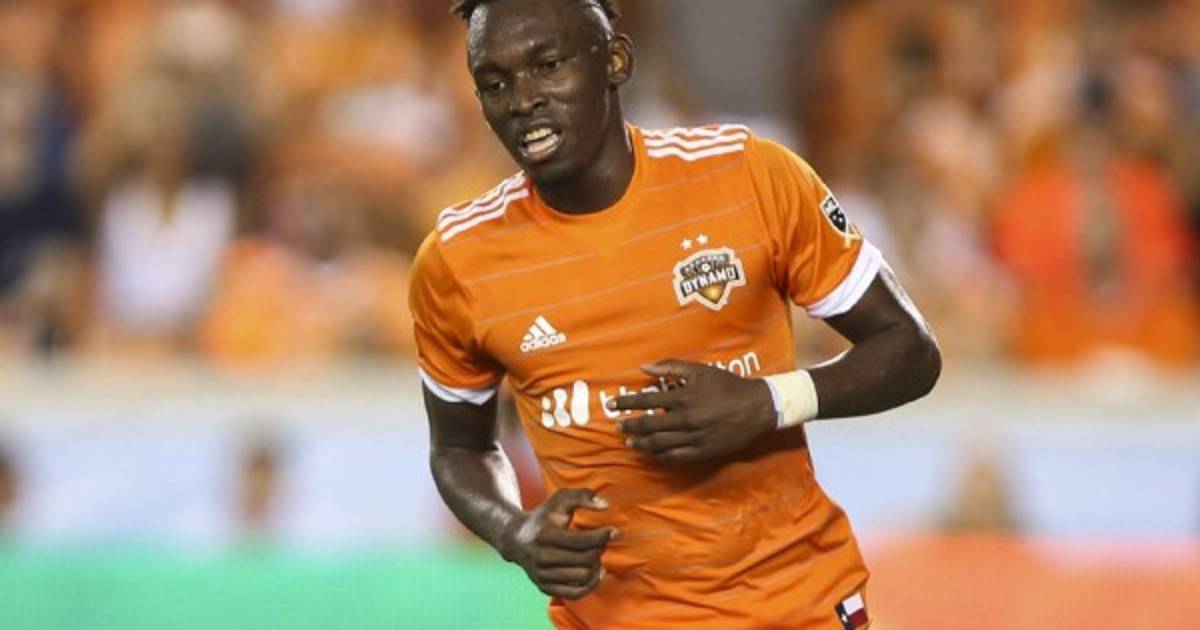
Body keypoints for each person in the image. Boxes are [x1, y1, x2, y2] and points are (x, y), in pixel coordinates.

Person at [408, 1, 941, 627]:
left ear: (615, 60)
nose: (523, 100)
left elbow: (909, 349)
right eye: (495, 83)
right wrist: (511, 530)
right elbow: (459, 447)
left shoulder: (748, 176)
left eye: (548, 65)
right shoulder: (458, 261)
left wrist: (767, 402)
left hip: (794, 609)